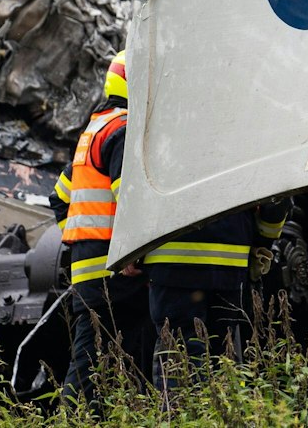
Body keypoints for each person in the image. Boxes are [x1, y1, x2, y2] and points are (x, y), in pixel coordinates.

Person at [53, 51, 153, 402]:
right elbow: (128, 199)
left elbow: (59, 196)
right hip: (115, 272)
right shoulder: (123, 131)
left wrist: (81, 242)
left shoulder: (93, 130)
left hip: (87, 270)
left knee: (95, 358)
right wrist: (131, 252)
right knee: (93, 366)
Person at [144, 196, 288, 387]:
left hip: (172, 260)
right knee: (222, 358)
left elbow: (134, 189)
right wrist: (262, 241)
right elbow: (277, 195)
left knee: (179, 357)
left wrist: (131, 247)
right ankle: (218, 414)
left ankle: (184, 416)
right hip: (230, 259)